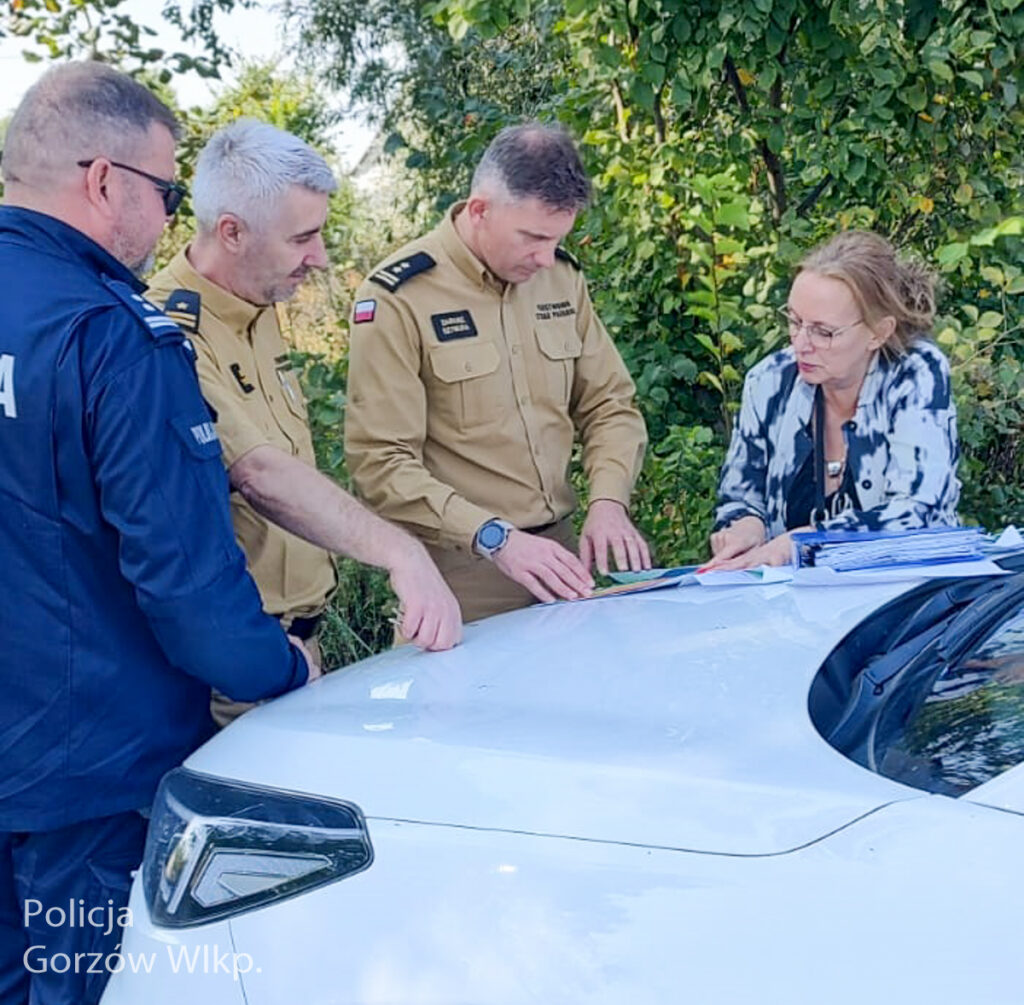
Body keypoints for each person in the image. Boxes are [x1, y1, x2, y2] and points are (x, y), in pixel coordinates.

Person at [0, 64, 319, 1005]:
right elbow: (188, 588)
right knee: (89, 984)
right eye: (167, 190)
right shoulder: (112, 336)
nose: (168, 216)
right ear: (103, 181)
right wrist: (284, 670)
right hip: (93, 777)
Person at [146, 120, 461, 722]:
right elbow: (260, 473)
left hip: (298, 651)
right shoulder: (168, 334)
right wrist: (403, 553)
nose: (319, 258)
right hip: (233, 669)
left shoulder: (259, 302)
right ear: (232, 232)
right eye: (301, 239)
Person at [344, 122, 650, 623]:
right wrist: (494, 537)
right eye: (532, 238)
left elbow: (609, 405)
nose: (545, 258)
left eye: (557, 240)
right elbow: (381, 463)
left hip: (564, 558)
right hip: (465, 573)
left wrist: (609, 502)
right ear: (480, 210)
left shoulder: (559, 279)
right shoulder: (399, 297)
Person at [706, 229, 960, 570]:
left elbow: (918, 514)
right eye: (794, 321)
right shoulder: (768, 380)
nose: (801, 343)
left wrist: (800, 542)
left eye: (823, 332)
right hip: (791, 607)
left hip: (909, 602)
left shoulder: (916, 374)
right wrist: (744, 526)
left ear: (878, 332)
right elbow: (738, 498)